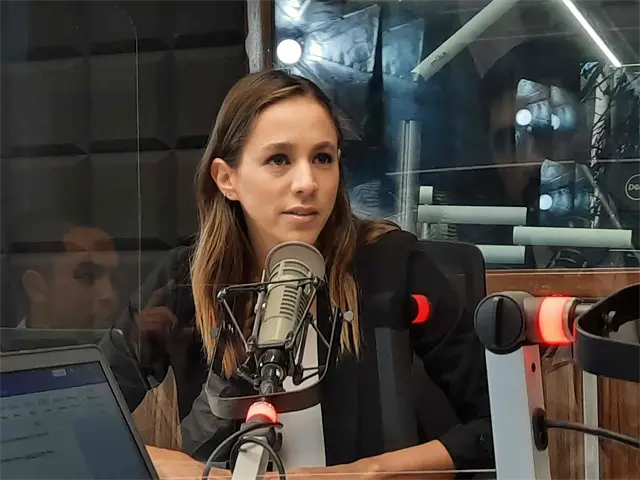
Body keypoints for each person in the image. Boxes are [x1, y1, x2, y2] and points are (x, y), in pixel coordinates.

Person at [102, 70, 494, 479]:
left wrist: (365, 473)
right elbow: (80, 419)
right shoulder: (185, 281)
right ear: (227, 178)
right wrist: (182, 470)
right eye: (279, 160)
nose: (307, 183)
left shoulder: (392, 266)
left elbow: (497, 423)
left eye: (323, 158)